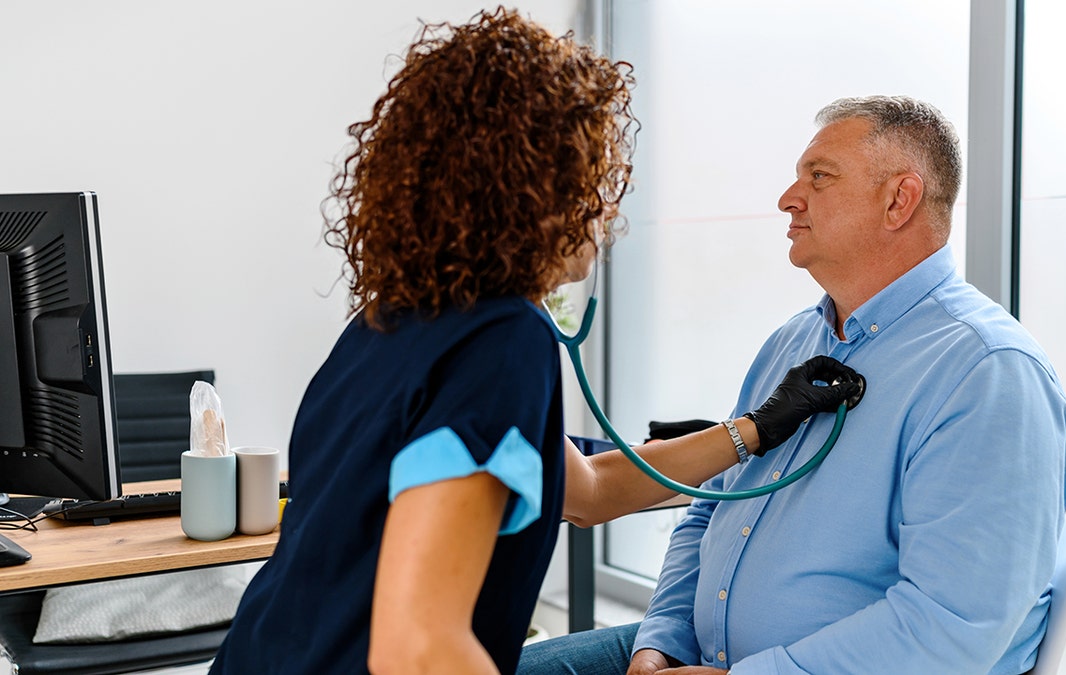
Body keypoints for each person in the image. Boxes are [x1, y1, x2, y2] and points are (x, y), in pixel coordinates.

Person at [208, 9, 861, 675]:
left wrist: (756, 428)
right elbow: (421, 646)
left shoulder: (393, 319)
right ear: (536, 188)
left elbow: (588, 489)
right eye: (595, 179)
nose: (607, 211)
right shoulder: (504, 340)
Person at [518, 96, 1066, 675]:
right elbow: (707, 512)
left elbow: (953, 627)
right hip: (696, 650)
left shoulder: (988, 372)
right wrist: (659, 642)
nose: (788, 199)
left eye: (819, 177)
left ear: (899, 200)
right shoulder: (794, 342)